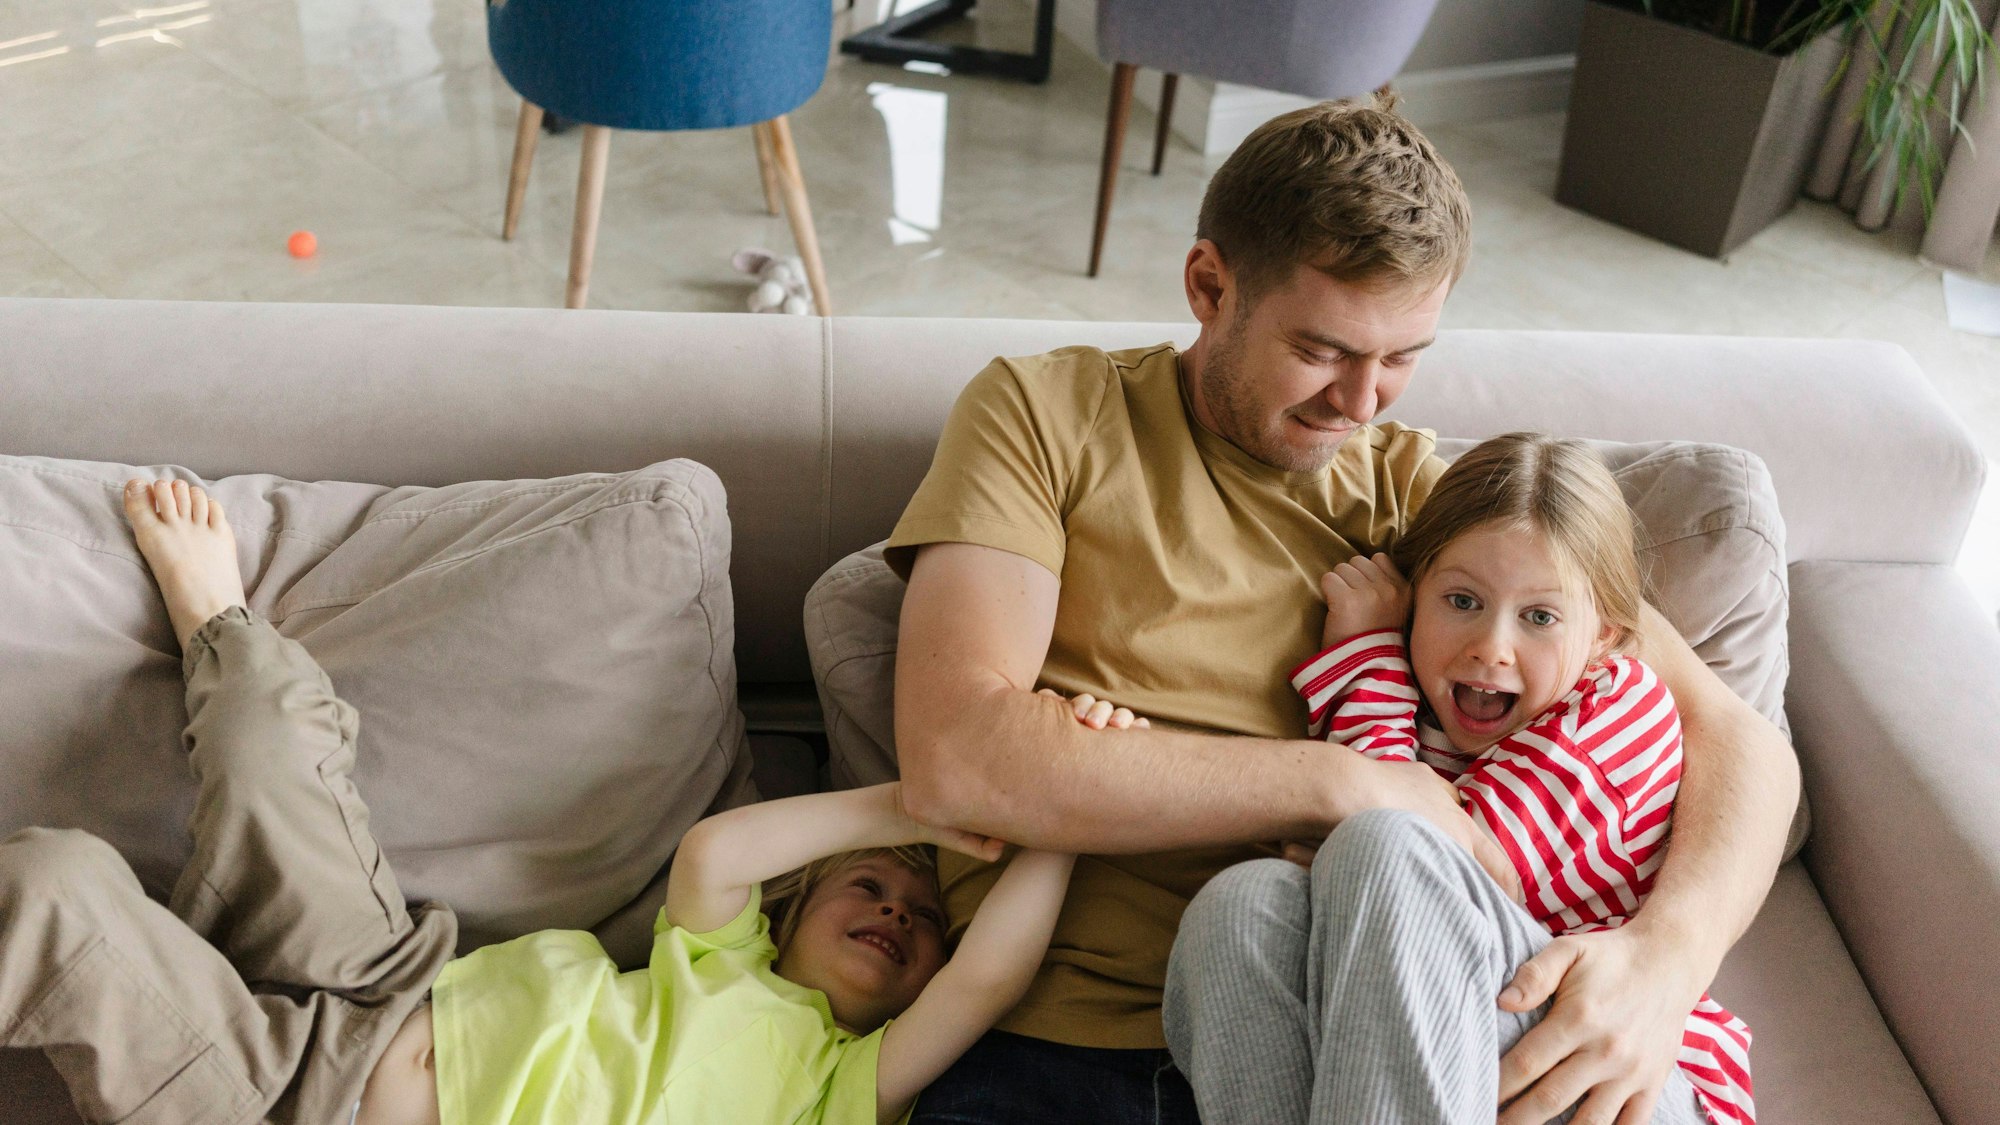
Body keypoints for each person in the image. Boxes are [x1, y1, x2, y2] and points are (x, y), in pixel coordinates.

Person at [886, 93, 1797, 1124]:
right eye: (1322, 350)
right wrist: (1344, 782)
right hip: (1058, 1039)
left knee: (1321, 879)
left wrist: (1666, 956)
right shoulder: (1046, 415)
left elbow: (1735, 737)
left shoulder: (1423, 504)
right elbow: (957, 753)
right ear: (1208, 285)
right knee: (1261, 898)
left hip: (1356, 1029)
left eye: (1402, 358)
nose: (1361, 404)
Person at [0, 478, 1075, 1125]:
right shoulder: (718, 954)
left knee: (57, 883)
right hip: (388, 971)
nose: (898, 912)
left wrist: (1062, 812)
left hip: (285, 1102)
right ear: (790, 912)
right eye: (876, 887)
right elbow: (716, 854)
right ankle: (217, 618)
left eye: (922, 921)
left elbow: (985, 981)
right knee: (274, 743)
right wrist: (923, 805)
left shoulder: (843, 1089)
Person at [1163, 432, 1752, 1124]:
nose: (1491, 646)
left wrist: (1364, 657)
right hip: (1473, 1059)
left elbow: (1424, 857)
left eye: (1540, 617)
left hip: (1632, 1086)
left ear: (1603, 638)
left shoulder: (1618, 709)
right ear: (1416, 597)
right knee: (1242, 905)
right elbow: (1342, 868)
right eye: (1462, 602)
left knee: (1387, 847)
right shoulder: (1426, 720)